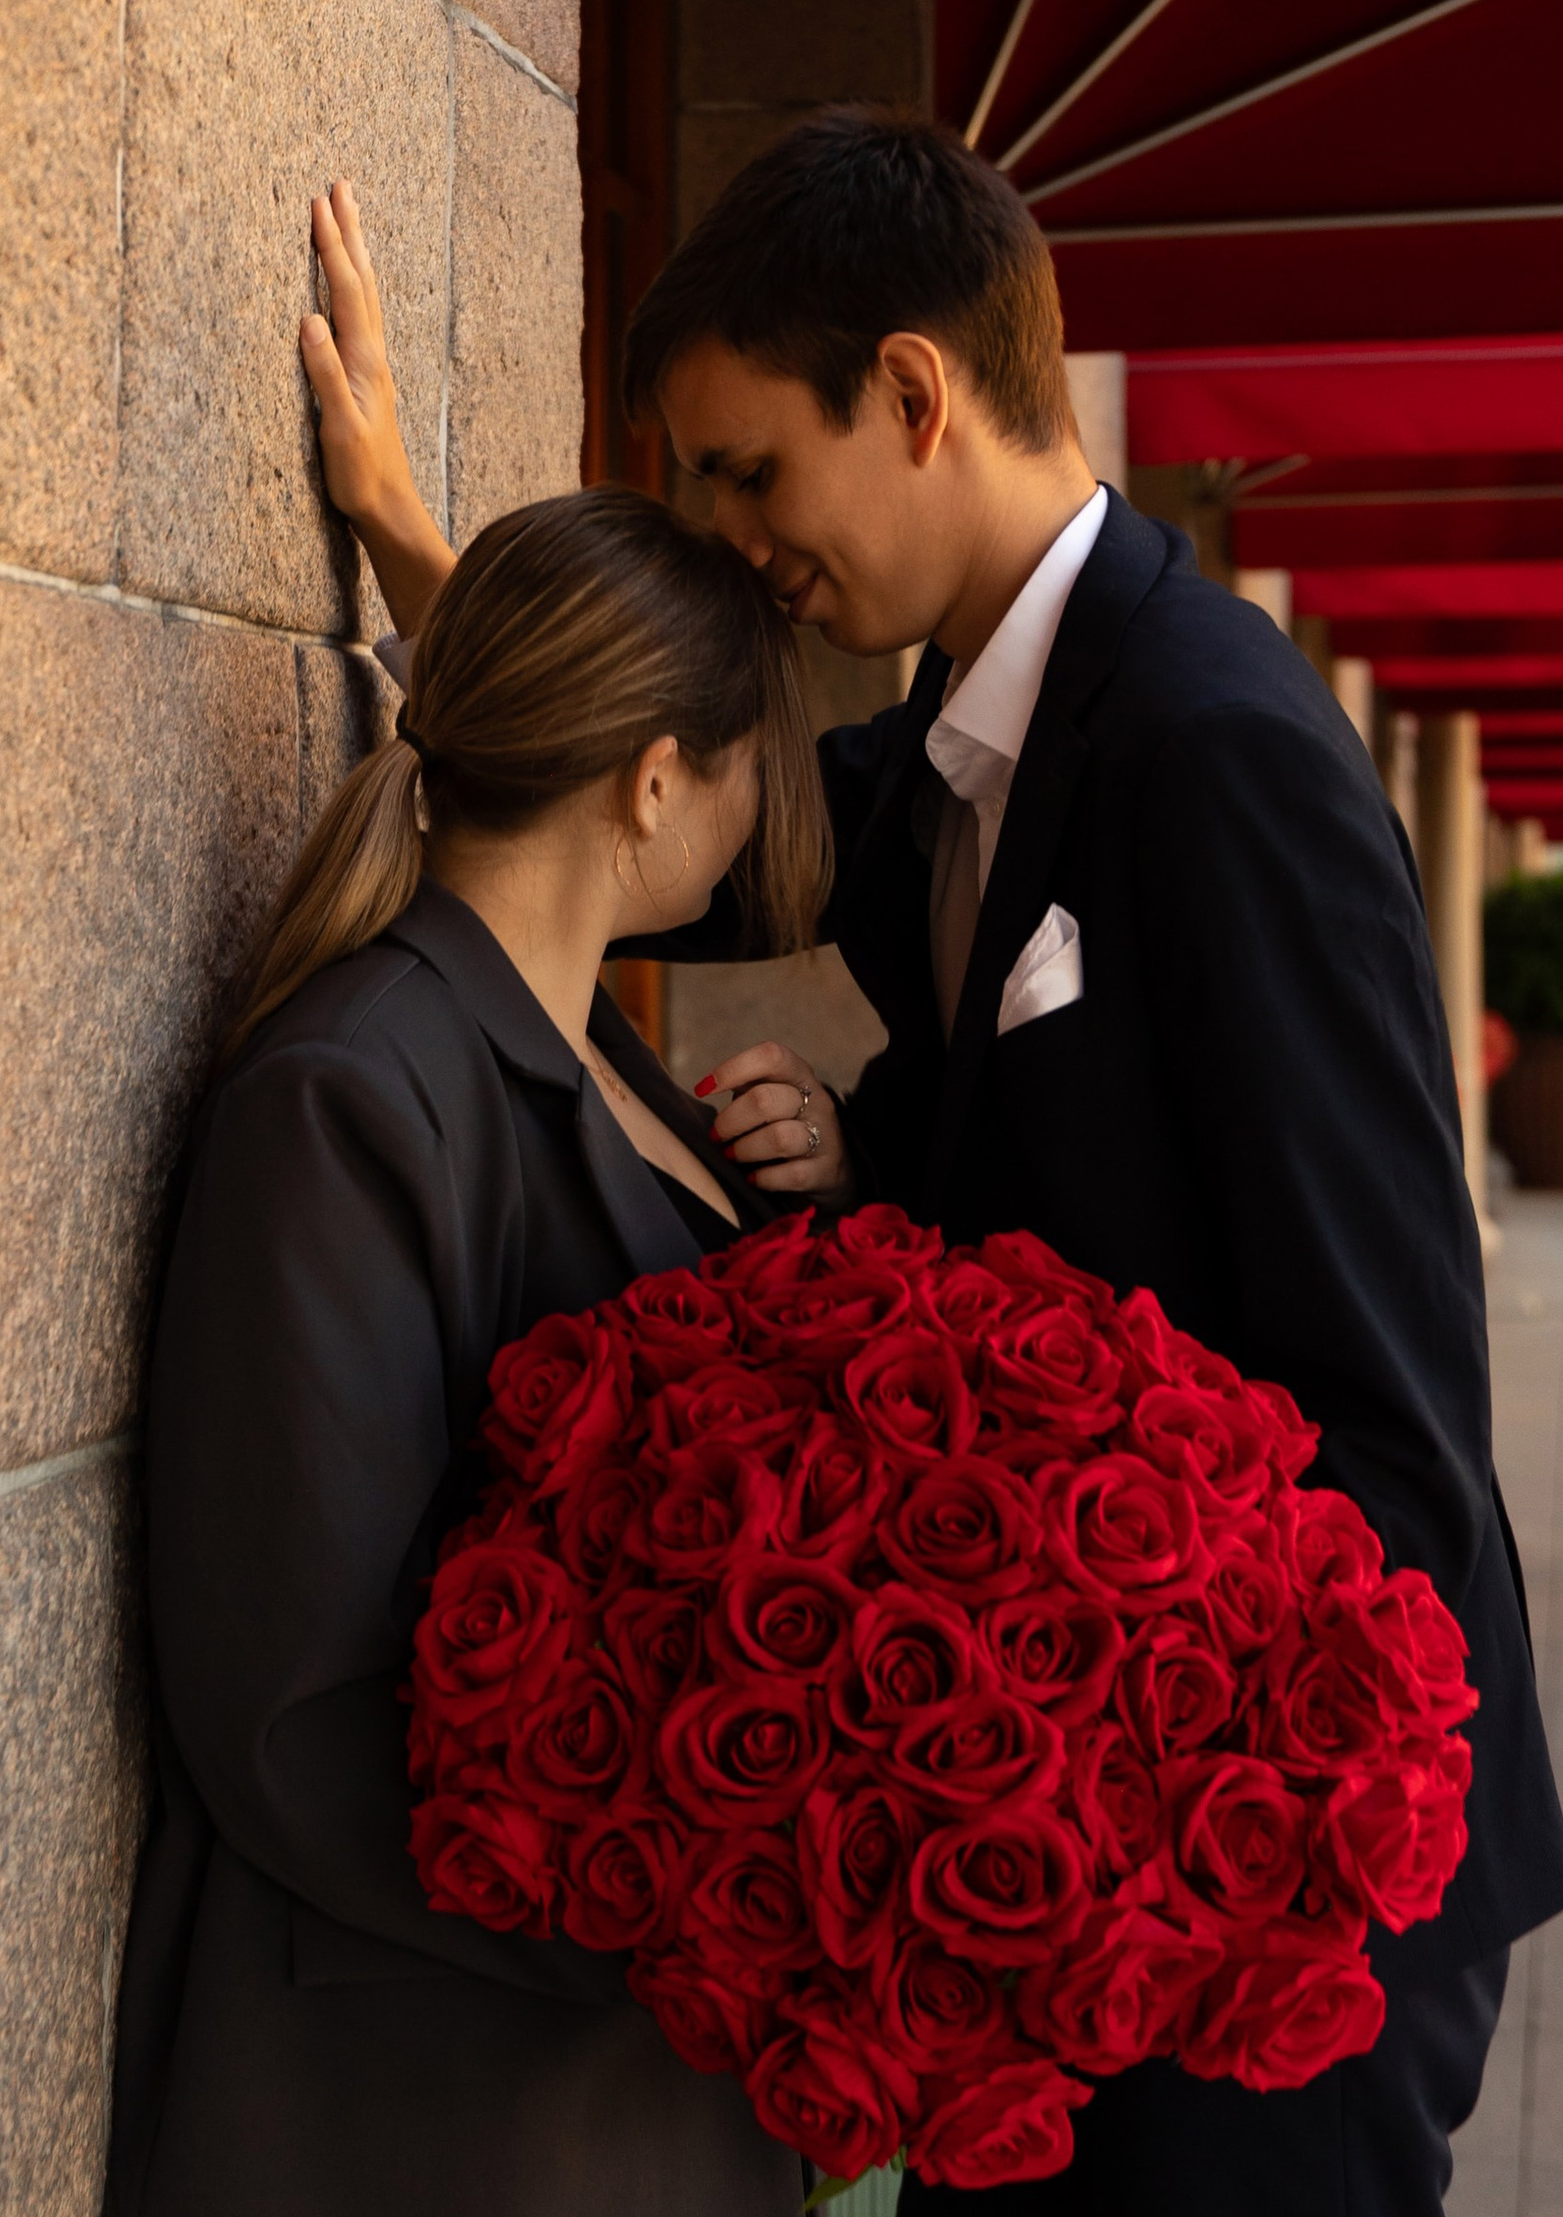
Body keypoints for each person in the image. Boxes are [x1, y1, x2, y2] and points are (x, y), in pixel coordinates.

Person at [303, 120, 1563, 2216]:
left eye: (739, 472)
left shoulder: (1211, 744)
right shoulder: (956, 745)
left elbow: (1384, 1380)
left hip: (1281, 1879)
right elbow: (655, 828)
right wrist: (417, 555)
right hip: (1074, 1870)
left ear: (907, 392)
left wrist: (1294, 1860)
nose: (721, 543)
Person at [105, 487, 828, 2217]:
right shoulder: (352, 1092)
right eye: (750, 767)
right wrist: (693, 1910)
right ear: (655, 780)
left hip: (611, 2082)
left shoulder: (601, 1055)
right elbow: (292, 1714)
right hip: (434, 2108)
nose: (763, 816)